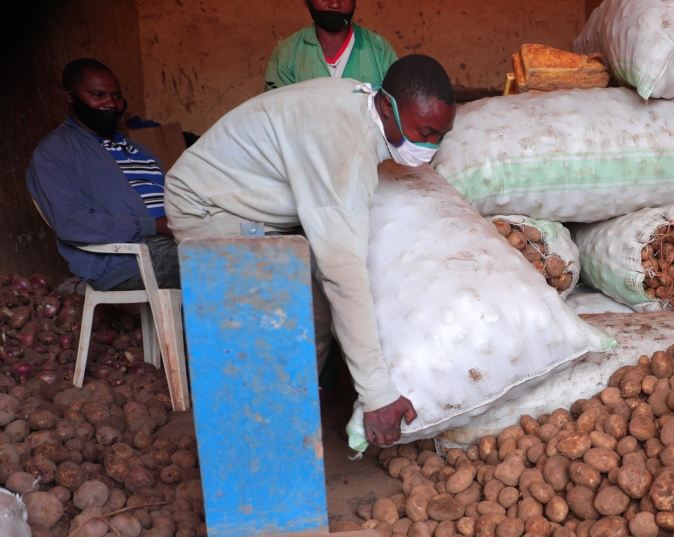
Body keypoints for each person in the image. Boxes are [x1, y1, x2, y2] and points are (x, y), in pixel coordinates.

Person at [165, 55, 456, 447]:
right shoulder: (346, 148)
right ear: (387, 106)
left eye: (440, 135)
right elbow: (343, 273)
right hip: (206, 208)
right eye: (424, 131)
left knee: (316, 312)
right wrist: (376, 392)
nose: (430, 146)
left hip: (247, 205)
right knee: (278, 318)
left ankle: (287, 409)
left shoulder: (359, 104)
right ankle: (257, 433)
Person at [27, 59, 179, 291]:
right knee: (220, 261)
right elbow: (70, 222)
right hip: (125, 259)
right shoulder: (55, 151)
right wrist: (152, 226)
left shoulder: (137, 148)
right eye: (98, 95)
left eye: (116, 96)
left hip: (172, 241)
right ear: (70, 96)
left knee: (244, 246)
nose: (111, 103)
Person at [265, 0, 398, 90]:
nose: (334, 4)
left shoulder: (379, 50)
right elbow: (278, 114)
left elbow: (394, 111)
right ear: (306, 1)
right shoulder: (286, 54)